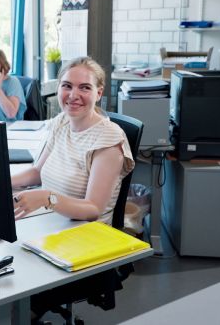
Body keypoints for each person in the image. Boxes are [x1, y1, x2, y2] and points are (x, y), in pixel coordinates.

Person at [10, 56, 135, 322]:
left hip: (84, 244)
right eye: (67, 85)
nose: (73, 95)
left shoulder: (109, 140)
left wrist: (47, 198)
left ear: (99, 93)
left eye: (84, 87)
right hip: (50, 226)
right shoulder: (61, 122)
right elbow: (36, 172)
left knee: (11, 292)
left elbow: (93, 209)